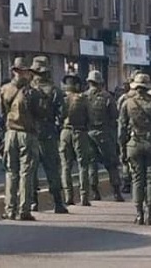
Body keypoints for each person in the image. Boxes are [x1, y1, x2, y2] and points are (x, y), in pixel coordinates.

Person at [119, 73, 151, 226]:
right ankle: (150, 213)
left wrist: (122, 149)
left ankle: (139, 214)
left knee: (137, 179)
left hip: (134, 144)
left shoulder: (127, 104)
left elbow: (121, 130)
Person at [0, 57, 40, 221]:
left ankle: (9, 210)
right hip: (26, 134)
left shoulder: (4, 89)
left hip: (10, 134)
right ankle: (24, 210)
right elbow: (39, 114)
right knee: (26, 173)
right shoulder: (32, 93)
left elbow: (2, 113)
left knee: (11, 173)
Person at [29, 56, 68, 214]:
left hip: (31, 132)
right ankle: (58, 202)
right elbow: (62, 113)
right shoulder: (55, 91)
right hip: (48, 133)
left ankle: (33, 202)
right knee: (52, 168)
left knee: (30, 169)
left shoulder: (28, 89)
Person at [86, 70, 124, 202]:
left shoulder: (84, 97)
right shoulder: (107, 97)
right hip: (105, 134)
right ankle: (116, 192)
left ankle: (95, 192)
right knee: (111, 164)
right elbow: (115, 115)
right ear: (101, 83)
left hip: (89, 133)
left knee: (92, 164)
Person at [60, 71, 93, 207]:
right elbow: (90, 117)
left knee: (66, 166)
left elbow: (58, 116)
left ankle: (68, 196)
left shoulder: (62, 99)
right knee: (83, 165)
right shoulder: (83, 99)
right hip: (80, 132)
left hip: (65, 131)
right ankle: (84, 196)